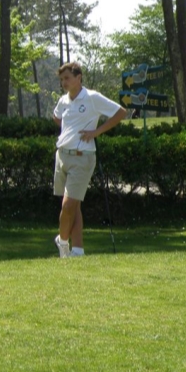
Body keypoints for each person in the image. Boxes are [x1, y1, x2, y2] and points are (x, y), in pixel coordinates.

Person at [52, 62, 126, 258]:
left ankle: (62, 241)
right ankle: (78, 250)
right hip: (62, 156)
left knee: (68, 205)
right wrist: (68, 130)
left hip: (82, 157)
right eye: (61, 79)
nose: (64, 83)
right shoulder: (63, 100)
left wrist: (96, 132)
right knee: (74, 205)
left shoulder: (92, 97)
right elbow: (56, 117)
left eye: (67, 78)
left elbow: (121, 112)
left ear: (79, 77)